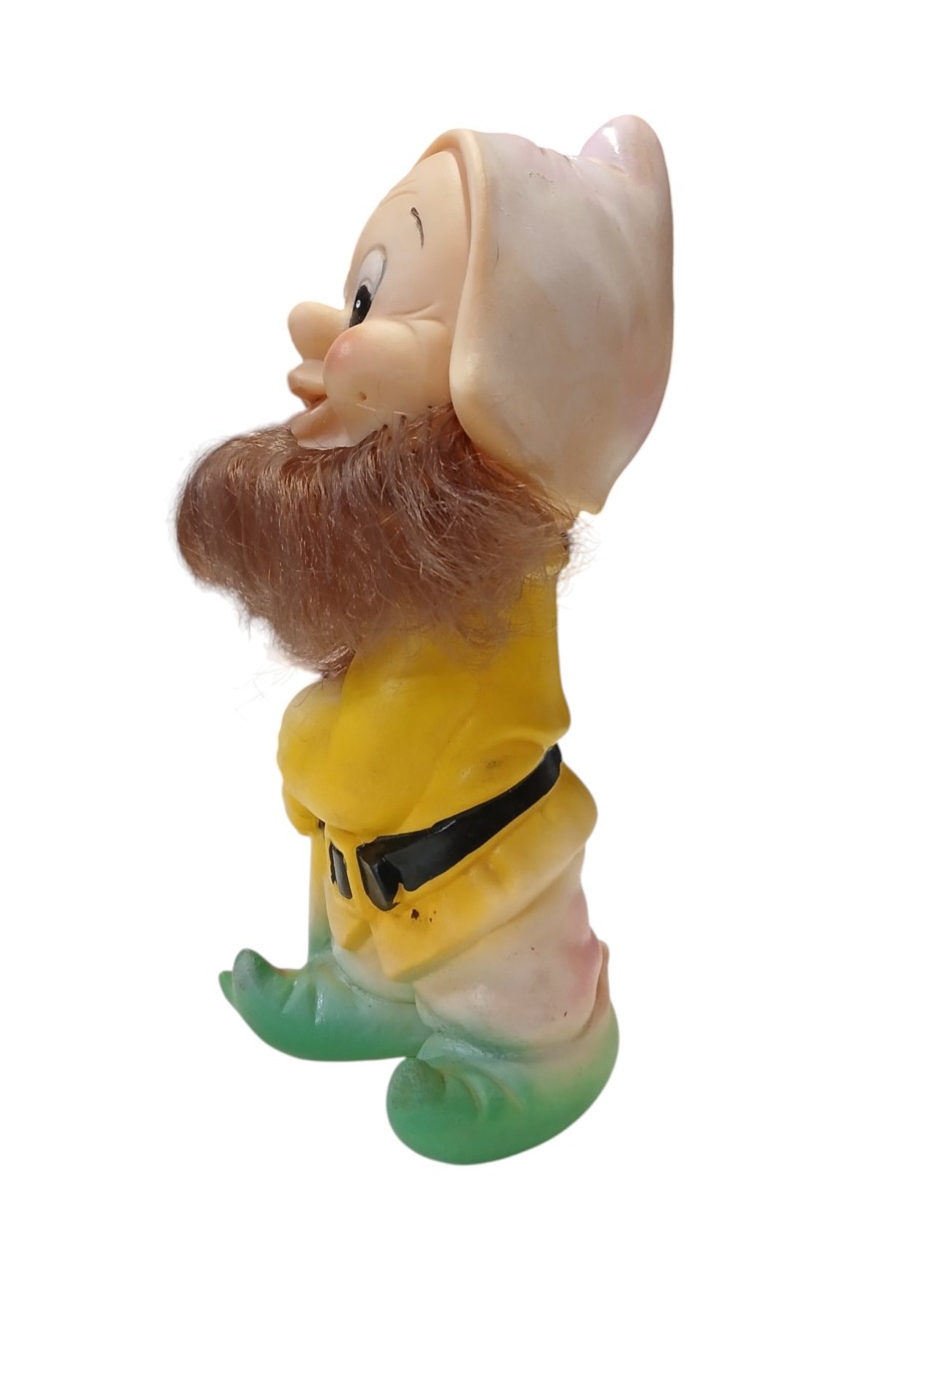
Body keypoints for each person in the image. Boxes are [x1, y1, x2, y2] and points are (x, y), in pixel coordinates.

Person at [176, 116, 673, 1163]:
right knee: (347, 887)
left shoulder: (477, 596)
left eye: (371, 309)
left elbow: (376, 761)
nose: (321, 334)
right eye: (358, 296)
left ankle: (533, 1059)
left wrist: (305, 747)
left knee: (494, 967)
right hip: (386, 880)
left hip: (479, 891)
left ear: (507, 373)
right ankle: (361, 987)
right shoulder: (410, 562)